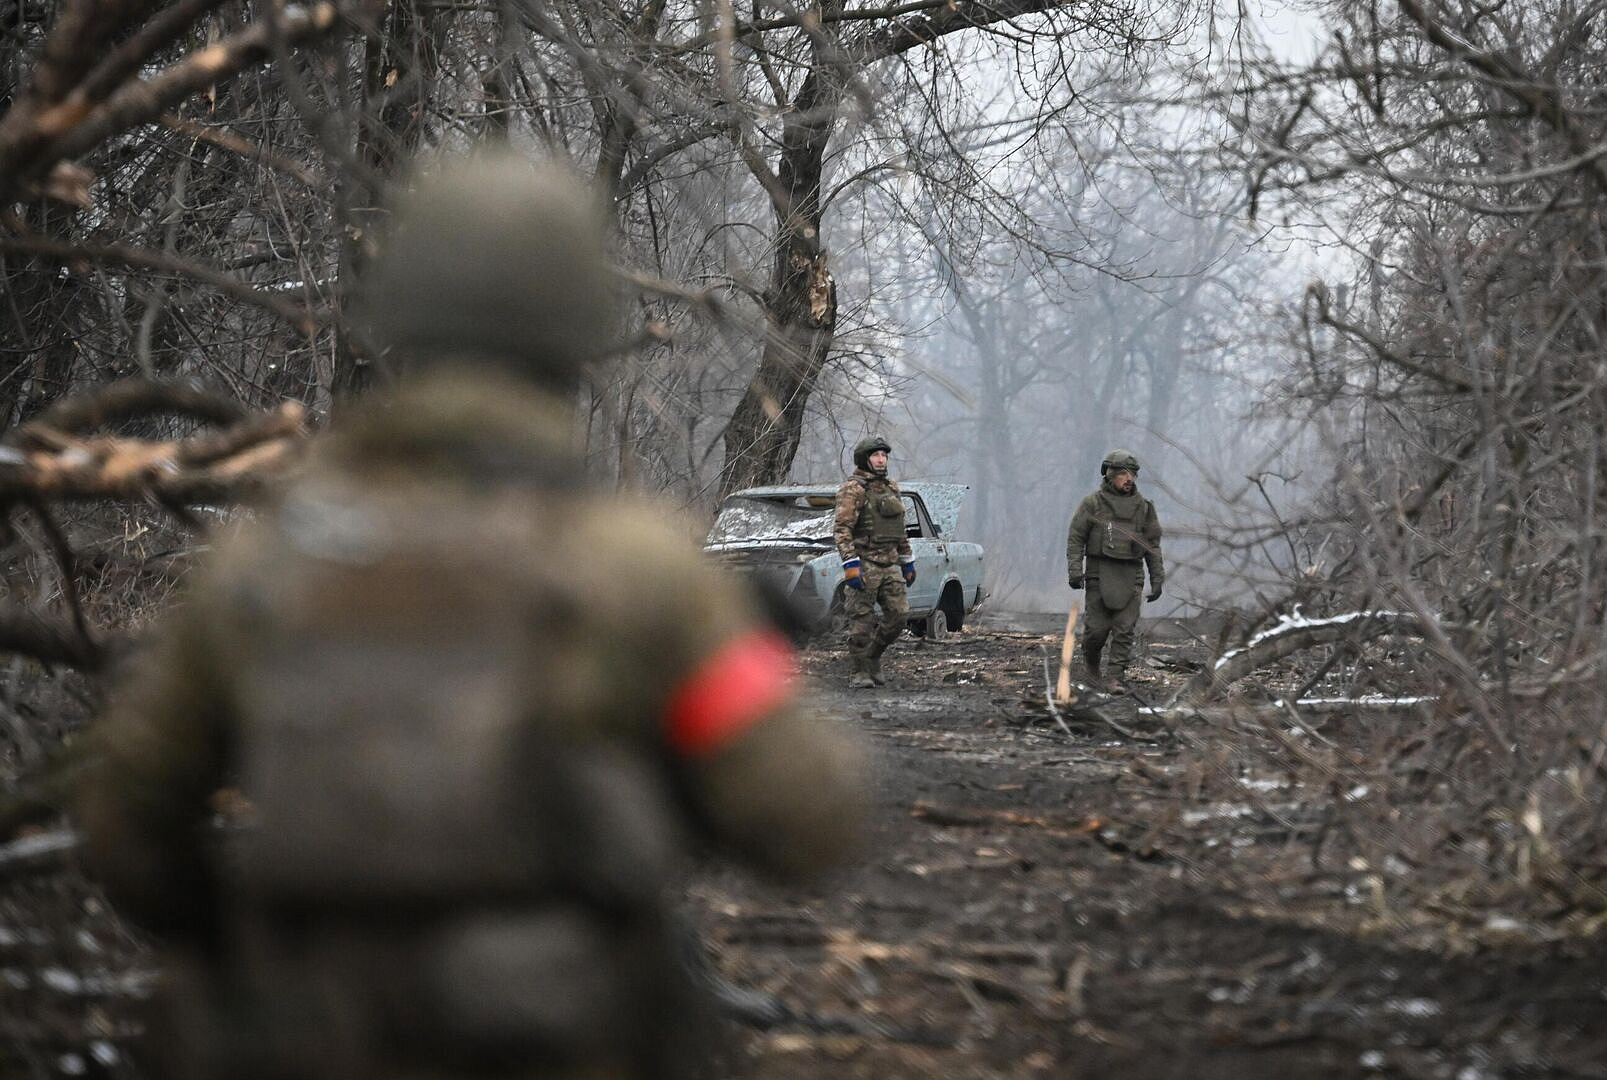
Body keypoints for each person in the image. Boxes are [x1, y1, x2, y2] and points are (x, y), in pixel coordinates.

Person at [74, 148, 867, 1080]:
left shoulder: (266, 562)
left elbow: (127, 820)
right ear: (575, 333)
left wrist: (245, 943)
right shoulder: (636, 572)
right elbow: (811, 821)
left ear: (403, 314)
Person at [1065, 449, 1165, 687]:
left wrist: (1157, 578)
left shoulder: (1144, 508)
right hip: (1099, 573)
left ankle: (1115, 677)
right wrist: (1075, 570)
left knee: (1124, 629)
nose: (1128, 478)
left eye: (1132, 474)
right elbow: (1076, 537)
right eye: (1122, 473)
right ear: (1109, 475)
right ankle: (1091, 664)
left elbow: (1153, 546)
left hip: (1131, 575)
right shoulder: (1092, 504)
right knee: (1096, 631)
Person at [832, 436, 914, 688]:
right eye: (876, 455)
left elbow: (899, 528)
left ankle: (872, 657)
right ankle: (859, 672)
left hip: (889, 563)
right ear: (865, 459)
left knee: (899, 617)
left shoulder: (891, 487)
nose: (881, 460)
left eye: (884, 455)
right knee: (861, 623)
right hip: (864, 561)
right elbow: (842, 528)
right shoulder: (853, 489)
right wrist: (850, 563)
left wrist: (907, 559)